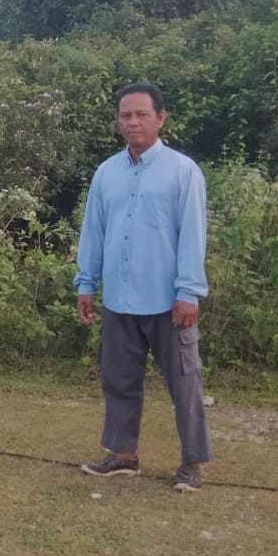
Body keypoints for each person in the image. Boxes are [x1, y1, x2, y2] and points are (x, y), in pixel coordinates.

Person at [74, 83, 213, 492]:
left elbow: (193, 235)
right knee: (118, 379)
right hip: (119, 299)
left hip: (169, 302)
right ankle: (123, 455)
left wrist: (189, 292)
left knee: (185, 385)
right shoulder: (107, 173)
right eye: (125, 115)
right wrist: (87, 283)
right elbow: (94, 232)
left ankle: (192, 463)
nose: (132, 122)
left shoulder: (182, 171)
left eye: (141, 115)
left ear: (161, 118)